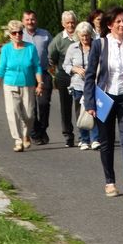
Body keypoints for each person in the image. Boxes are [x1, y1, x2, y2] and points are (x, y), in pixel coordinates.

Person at [83, 7, 123, 198]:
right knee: (106, 141)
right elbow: (90, 75)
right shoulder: (99, 44)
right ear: (109, 25)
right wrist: (90, 103)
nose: (122, 25)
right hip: (105, 97)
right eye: (118, 22)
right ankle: (109, 182)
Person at [0, 20, 44, 152]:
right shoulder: (6, 49)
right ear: (10, 34)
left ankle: (26, 135)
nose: (17, 35)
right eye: (14, 33)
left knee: (29, 114)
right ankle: (18, 140)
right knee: (13, 113)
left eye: (20, 32)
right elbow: (1, 68)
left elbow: (37, 67)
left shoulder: (30, 48)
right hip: (10, 85)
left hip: (28, 84)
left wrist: (40, 84)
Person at [63, 21, 101, 150]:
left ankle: (95, 138)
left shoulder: (96, 46)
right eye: (82, 35)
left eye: (87, 35)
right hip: (78, 85)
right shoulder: (72, 48)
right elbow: (65, 65)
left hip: (94, 85)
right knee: (80, 112)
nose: (85, 38)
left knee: (94, 110)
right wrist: (75, 69)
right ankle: (84, 139)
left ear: (91, 35)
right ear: (78, 35)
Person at [48, 10, 79, 147]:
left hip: (80, 77)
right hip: (64, 76)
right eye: (68, 23)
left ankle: (84, 133)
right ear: (63, 24)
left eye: (73, 22)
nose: (71, 25)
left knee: (82, 106)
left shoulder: (81, 36)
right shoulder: (58, 39)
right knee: (65, 107)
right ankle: (68, 135)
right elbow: (51, 57)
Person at [21, 10, 52, 146]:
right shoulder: (19, 35)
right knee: (30, 107)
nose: (30, 22)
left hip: (44, 73)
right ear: (23, 21)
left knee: (44, 103)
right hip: (27, 76)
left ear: (36, 20)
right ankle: (35, 133)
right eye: (27, 19)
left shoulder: (45, 35)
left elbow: (52, 51)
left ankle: (43, 128)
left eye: (32, 19)